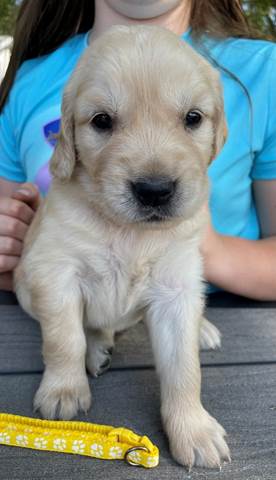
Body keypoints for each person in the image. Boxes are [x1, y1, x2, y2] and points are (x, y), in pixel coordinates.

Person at [0, 0, 275, 298]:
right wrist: (14, 255)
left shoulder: (265, 71)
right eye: (103, 121)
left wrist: (208, 249)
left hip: (222, 326)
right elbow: (14, 247)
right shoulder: (29, 83)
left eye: (191, 119)